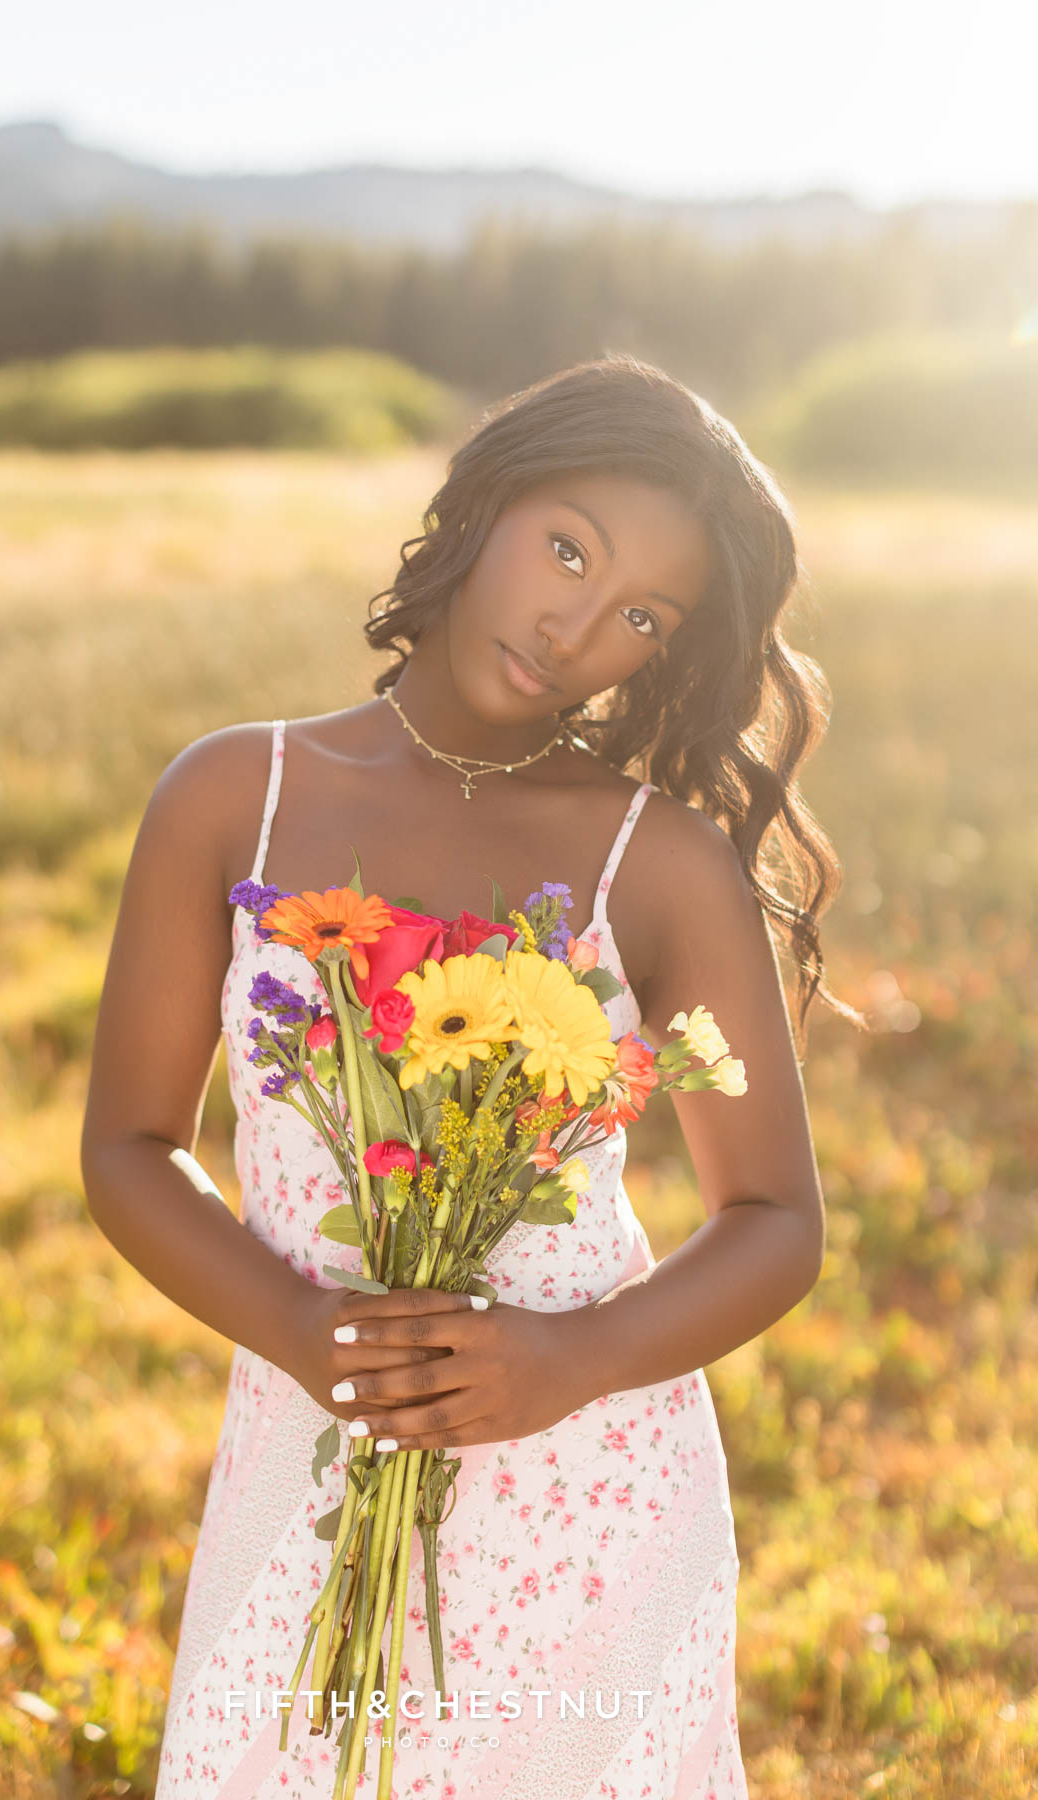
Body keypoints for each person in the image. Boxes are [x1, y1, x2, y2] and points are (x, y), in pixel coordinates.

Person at [81, 354, 854, 1799]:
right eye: (567, 548)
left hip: (591, 1486)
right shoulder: (229, 796)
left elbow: (775, 1223)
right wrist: (304, 1332)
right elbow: (128, 1143)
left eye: (642, 615)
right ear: (483, 501)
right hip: (308, 1446)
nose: (576, 628)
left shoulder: (659, 859)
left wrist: (569, 1363)